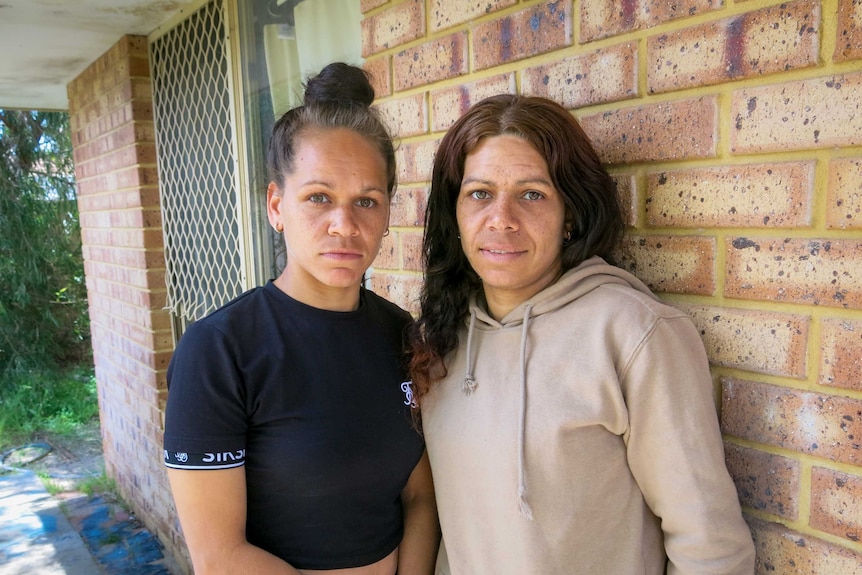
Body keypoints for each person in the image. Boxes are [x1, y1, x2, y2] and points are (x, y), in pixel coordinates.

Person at [408, 94, 755, 574]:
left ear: (569, 214)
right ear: (456, 212)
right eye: (480, 193)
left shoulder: (634, 334)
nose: (501, 217)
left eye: (532, 194)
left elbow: (709, 544)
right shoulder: (444, 340)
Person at [163, 63, 439, 575]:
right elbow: (219, 556)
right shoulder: (220, 351)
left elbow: (420, 497)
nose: (345, 224)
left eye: (366, 201)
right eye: (319, 197)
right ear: (276, 205)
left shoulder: (401, 334)